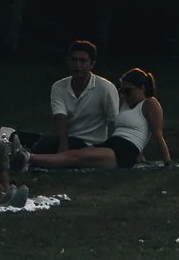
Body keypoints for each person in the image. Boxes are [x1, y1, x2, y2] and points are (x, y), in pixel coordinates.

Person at [39, 39, 133, 171]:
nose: (78, 65)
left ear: (92, 64)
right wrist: (63, 143)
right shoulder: (59, 87)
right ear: (68, 62)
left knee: (58, 148)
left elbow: (114, 120)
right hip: (68, 138)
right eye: (74, 60)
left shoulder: (105, 88)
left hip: (92, 143)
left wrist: (114, 148)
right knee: (44, 144)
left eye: (83, 61)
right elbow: (60, 116)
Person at [114, 66, 173, 167]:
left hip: (125, 149)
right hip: (114, 142)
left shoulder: (149, 104)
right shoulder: (123, 102)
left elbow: (158, 135)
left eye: (127, 91)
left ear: (142, 88)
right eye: (122, 91)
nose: (124, 95)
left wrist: (167, 161)